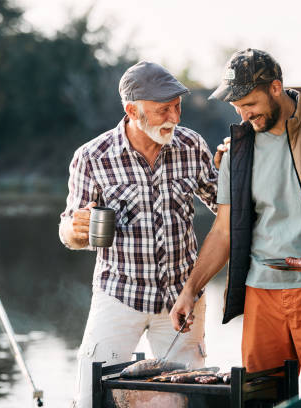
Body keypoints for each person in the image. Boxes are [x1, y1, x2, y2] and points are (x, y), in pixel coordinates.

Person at [170, 48, 301, 389]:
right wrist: (190, 291)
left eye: (250, 103)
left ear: (275, 88)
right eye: (236, 106)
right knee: (259, 400)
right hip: (260, 298)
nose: (243, 114)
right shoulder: (236, 150)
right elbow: (223, 231)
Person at [59, 61, 219, 407]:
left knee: (187, 399)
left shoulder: (192, 146)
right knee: (90, 397)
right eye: (163, 110)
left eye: (177, 106)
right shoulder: (91, 157)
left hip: (183, 298)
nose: (174, 117)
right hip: (118, 294)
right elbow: (70, 232)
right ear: (132, 110)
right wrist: (75, 229)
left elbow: (227, 211)